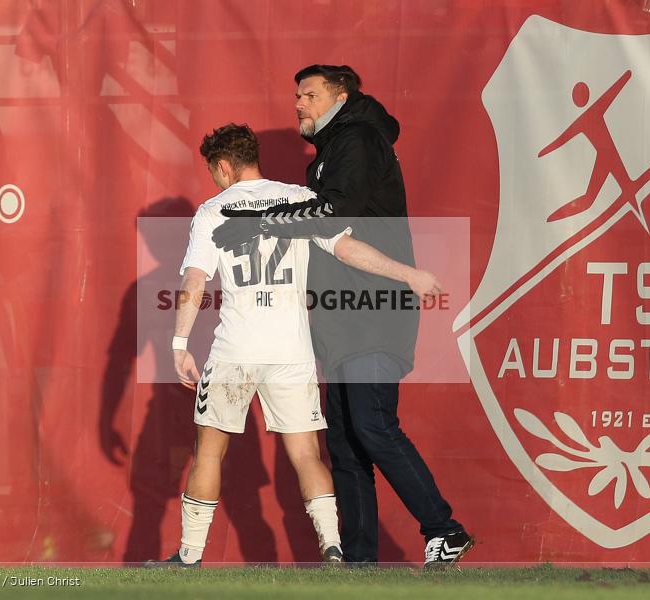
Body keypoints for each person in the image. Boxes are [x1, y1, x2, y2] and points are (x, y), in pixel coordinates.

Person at [212, 65, 474, 567]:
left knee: (372, 425)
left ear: (341, 96)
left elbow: (335, 215)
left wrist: (257, 222)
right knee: (347, 442)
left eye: (310, 94)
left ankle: (445, 528)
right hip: (341, 317)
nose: (299, 104)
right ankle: (359, 561)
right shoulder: (331, 153)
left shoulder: (357, 139)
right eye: (297, 95)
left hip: (374, 308)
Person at [150, 123, 442, 567]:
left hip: (236, 349)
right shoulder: (301, 200)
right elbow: (346, 249)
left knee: (209, 451)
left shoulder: (213, 210)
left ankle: (189, 556)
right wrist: (407, 274)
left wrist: (179, 344)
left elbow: (194, 281)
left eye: (214, 170)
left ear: (223, 166)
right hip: (292, 350)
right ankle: (333, 550)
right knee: (307, 453)